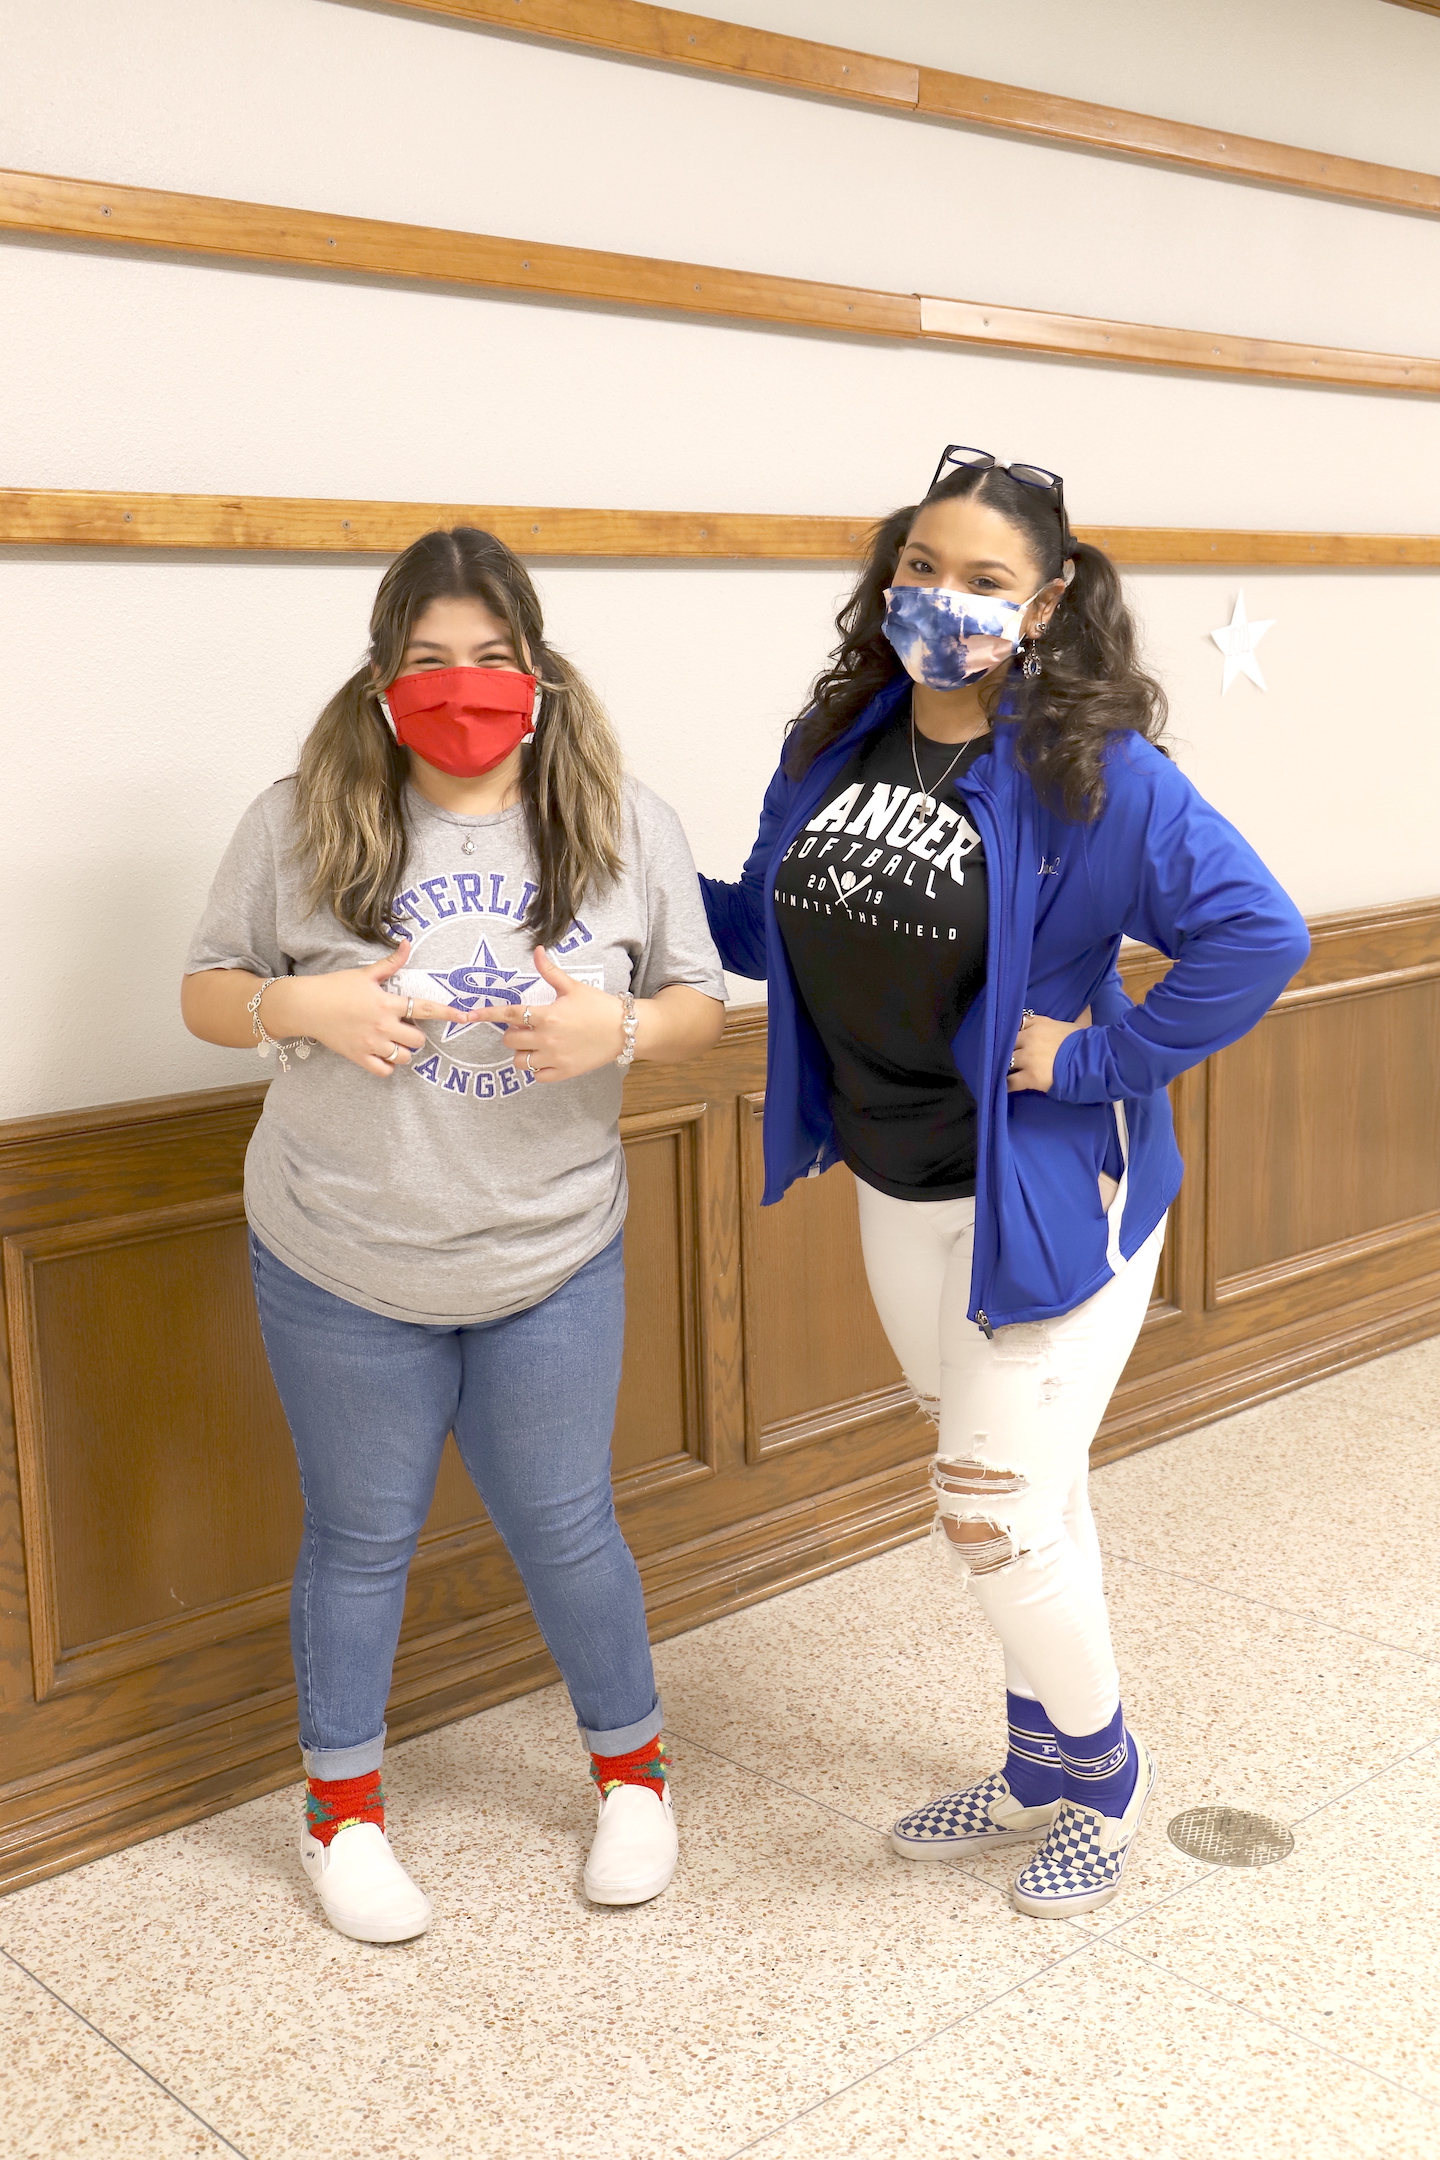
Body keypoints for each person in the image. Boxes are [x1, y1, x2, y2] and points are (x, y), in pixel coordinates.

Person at [700, 447, 1308, 1918]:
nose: (943, 601)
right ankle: (1038, 1758)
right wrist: (633, 884)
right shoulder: (840, 740)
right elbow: (782, 930)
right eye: (921, 569)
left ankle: (1102, 1769)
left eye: (983, 580)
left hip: (1043, 1196)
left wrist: (1099, 1061)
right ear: (886, 579)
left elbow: (1262, 936)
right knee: (1031, 1498)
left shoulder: (1096, 773)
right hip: (899, 1185)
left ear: (1044, 604)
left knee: (984, 1507)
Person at [183, 527, 725, 1942]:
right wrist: (302, 1008)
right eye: (429, 661)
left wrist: (619, 1026)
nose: (461, 686)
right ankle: (341, 1813)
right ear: (381, 679)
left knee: (566, 1524)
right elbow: (206, 986)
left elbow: (702, 1005)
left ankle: (633, 1776)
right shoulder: (300, 816)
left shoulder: (620, 819)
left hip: (550, 1253)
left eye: (491, 658)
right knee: (359, 1539)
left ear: (538, 673)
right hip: (336, 1253)